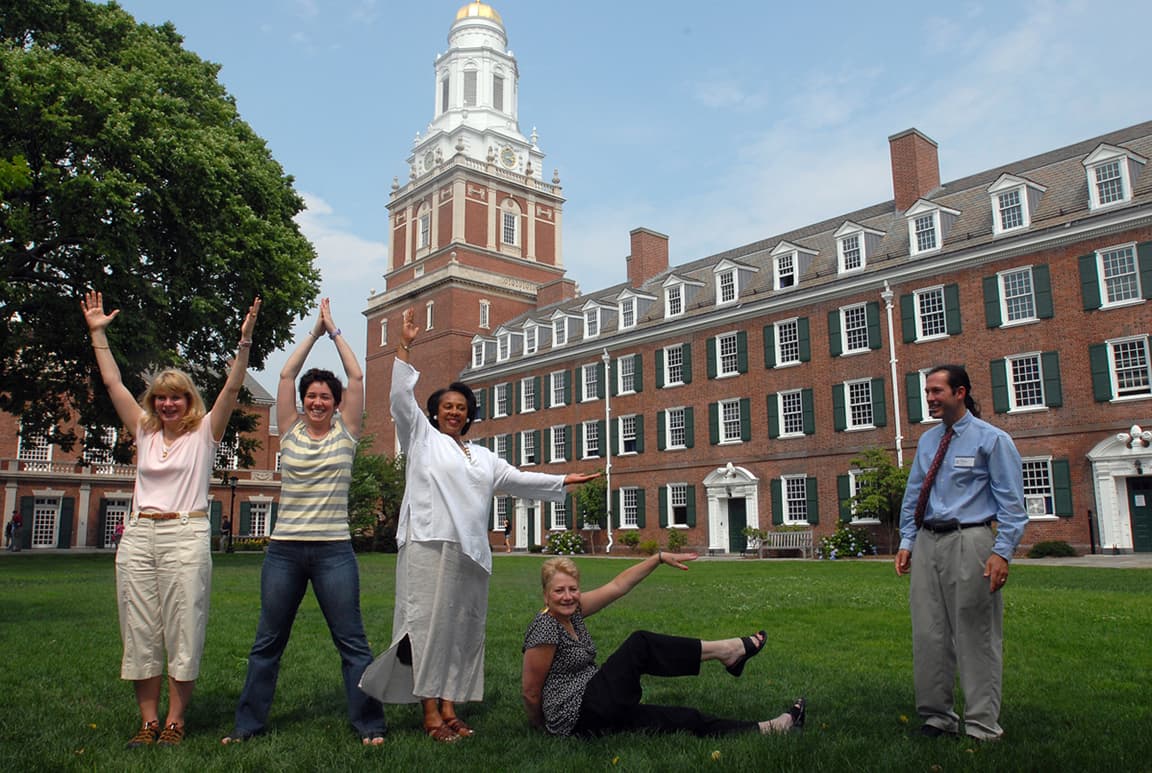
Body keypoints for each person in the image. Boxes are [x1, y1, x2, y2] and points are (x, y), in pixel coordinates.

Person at [359, 308, 600, 743]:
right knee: (427, 629)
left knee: (462, 631)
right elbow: (398, 399)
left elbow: (518, 478)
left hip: (472, 553)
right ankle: (429, 712)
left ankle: (451, 706)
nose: (454, 412)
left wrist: (563, 478)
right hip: (429, 544)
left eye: (461, 408)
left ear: (469, 415)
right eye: (447, 407)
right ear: (434, 413)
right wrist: (405, 345)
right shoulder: (420, 436)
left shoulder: (484, 457)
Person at [81, 289, 260, 748]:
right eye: (161, 398)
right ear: (153, 402)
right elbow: (113, 385)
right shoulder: (142, 429)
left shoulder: (205, 433)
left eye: (176, 398)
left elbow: (233, 388)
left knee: (183, 625)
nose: (167, 405)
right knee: (139, 627)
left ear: (189, 402)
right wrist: (98, 335)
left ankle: (176, 720)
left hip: (186, 531)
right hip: (139, 533)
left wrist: (244, 343)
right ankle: (148, 720)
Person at [222, 298, 386, 746]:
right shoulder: (290, 427)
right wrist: (311, 334)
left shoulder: (346, 432)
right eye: (312, 396)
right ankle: (247, 726)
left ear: (336, 405)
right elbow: (285, 374)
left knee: (352, 642)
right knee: (267, 643)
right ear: (304, 402)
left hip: (334, 551)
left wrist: (334, 330)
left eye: (324, 397)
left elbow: (356, 376)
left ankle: (369, 724)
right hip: (285, 551)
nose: (317, 401)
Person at [522, 554, 805, 738]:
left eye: (573, 589)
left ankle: (769, 728)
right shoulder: (545, 627)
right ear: (546, 596)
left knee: (681, 718)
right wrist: (541, 728)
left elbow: (619, 585)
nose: (568, 596)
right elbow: (531, 691)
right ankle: (728, 651)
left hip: (597, 705)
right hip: (577, 713)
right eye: (559, 591)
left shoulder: (575, 611)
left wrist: (657, 558)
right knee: (640, 644)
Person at [894, 364, 1027, 742]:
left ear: (960, 392)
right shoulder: (927, 441)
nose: (930, 398)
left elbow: (1012, 506)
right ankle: (937, 717)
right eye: (928, 392)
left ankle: (983, 725)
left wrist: (1002, 553)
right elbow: (914, 496)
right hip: (927, 540)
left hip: (971, 540)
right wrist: (907, 542)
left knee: (976, 633)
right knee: (929, 632)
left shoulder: (992, 440)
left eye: (937, 391)